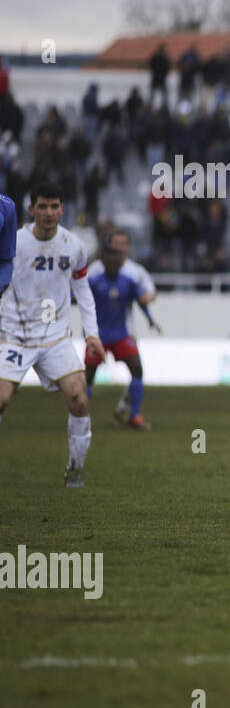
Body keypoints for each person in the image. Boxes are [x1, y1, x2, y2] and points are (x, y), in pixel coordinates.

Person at [0, 182, 103, 487]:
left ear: (62, 209)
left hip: (56, 337)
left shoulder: (74, 246)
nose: (48, 212)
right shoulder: (13, 242)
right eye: (42, 206)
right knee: (1, 399)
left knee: (79, 399)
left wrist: (91, 333)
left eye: (53, 206)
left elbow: (82, 289)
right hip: (14, 335)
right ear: (31, 210)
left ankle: (75, 469)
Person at [85, 227, 162, 430]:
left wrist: (150, 316)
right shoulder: (94, 272)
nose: (118, 249)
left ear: (127, 247)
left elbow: (146, 295)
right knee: (88, 376)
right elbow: (80, 295)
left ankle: (132, 414)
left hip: (123, 332)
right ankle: (80, 416)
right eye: (115, 244)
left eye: (122, 244)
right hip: (97, 333)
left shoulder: (133, 274)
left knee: (137, 369)